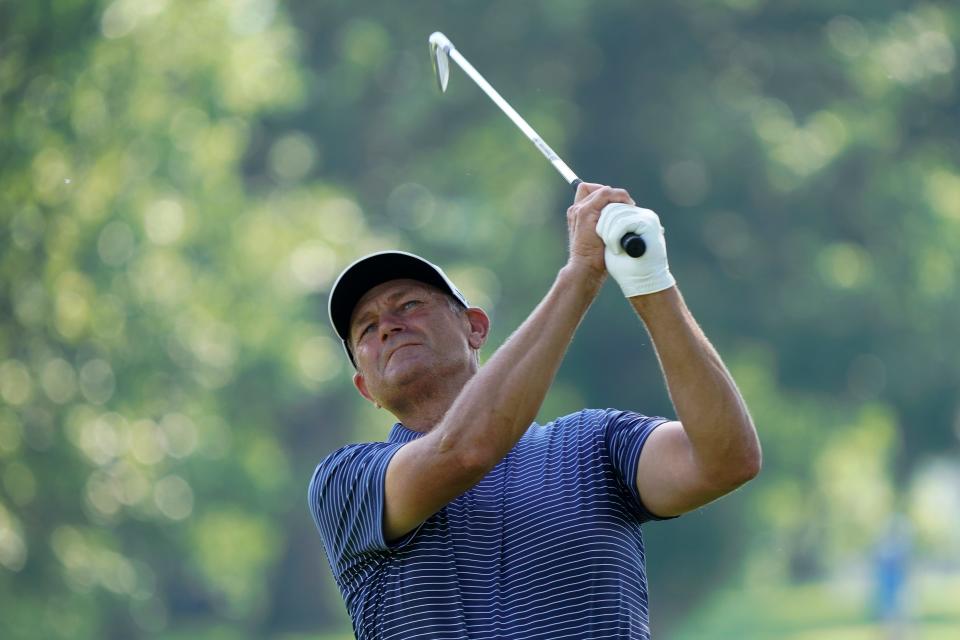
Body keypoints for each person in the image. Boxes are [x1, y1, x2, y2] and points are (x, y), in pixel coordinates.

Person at [309, 183, 761, 639]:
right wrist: (582, 272)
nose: (388, 325)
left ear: (475, 328)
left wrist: (651, 283)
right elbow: (464, 452)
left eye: (409, 304)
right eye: (366, 328)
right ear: (366, 388)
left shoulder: (598, 444)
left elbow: (726, 461)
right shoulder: (346, 479)